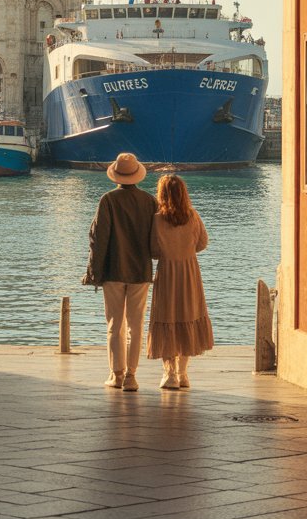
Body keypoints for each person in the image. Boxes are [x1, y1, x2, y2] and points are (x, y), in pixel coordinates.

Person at [86, 152, 156, 392]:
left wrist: (94, 272)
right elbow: (155, 238)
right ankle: (132, 376)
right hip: (141, 271)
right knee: (136, 325)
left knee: (115, 323)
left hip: (113, 270)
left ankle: (116, 374)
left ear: (115, 176)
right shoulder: (149, 201)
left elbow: (99, 238)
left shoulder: (108, 200)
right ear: (137, 175)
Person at [146, 174, 214, 390]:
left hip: (167, 273)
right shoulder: (193, 216)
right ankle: (183, 373)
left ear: (162, 195)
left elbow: (153, 251)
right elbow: (202, 243)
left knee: (167, 318)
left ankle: (169, 374)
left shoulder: (156, 220)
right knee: (188, 315)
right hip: (190, 273)